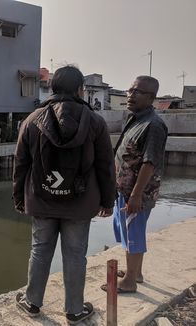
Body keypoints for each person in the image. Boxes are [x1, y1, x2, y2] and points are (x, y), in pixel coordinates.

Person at [13, 65, 116, 324]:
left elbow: (20, 164)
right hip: (80, 204)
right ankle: (74, 310)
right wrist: (108, 200)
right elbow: (105, 165)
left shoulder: (31, 120)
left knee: (40, 250)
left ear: (53, 88)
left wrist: (18, 198)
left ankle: (32, 303)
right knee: (75, 254)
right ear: (80, 89)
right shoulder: (95, 121)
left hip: (41, 199)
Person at [101, 76, 168, 293]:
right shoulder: (136, 118)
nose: (131, 95)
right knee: (128, 232)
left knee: (134, 234)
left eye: (137, 92)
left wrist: (136, 196)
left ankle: (130, 281)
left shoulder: (154, 125)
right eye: (130, 90)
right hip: (125, 189)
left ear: (152, 97)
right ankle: (135, 272)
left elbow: (150, 162)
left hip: (137, 193)